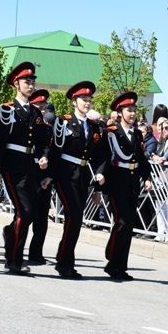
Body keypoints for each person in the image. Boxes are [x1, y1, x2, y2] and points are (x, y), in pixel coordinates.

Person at [0, 62, 48, 275]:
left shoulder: (35, 112)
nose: (31, 85)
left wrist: (43, 157)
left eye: (32, 81)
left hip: (30, 167)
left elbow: (43, 142)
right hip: (11, 166)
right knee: (25, 211)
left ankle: (9, 234)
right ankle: (14, 260)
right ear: (16, 84)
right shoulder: (7, 110)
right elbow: (0, 140)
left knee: (26, 213)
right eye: (26, 81)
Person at [48, 81, 105, 279]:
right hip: (65, 174)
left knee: (75, 219)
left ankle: (64, 259)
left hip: (82, 175)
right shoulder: (63, 122)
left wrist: (98, 185)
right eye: (84, 100)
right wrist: (49, 176)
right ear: (74, 102)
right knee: (74, 217)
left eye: (90, 100)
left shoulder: (93, 127)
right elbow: (55, 150)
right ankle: (64, 263)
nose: (87, 103)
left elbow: (99, 156)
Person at [95, 92, 153, 280]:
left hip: (132, 183)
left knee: (128, 226)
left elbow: (141, 158)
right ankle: (112, 259)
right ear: (120, 112)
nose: (133, 113)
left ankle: (120, 266)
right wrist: (101, 174)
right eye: (129, 110)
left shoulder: (136, 134)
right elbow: (104, 155)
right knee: (122, 222)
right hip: (116, 183)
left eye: (134, 110)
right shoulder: (111, 132)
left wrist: (147, 176)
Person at [26, 89, 55, 266]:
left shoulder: (50, 129)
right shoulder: (27, 125)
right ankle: (12, 241)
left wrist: (50, 176)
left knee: (41, 217)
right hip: (28, 172)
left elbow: (55, 153)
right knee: (25, 213)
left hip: (44, 176)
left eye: (45, 108)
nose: (42, 111)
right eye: (39, 107)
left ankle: (36, 252)